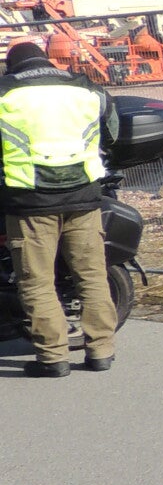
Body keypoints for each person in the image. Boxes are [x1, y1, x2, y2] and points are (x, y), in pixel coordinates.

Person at [0, 39, 119, 376]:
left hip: (29, 203)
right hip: (84, 197)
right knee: (92, 277)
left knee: (37, 283)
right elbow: (112, 133)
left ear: (11, 66)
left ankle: (53, 358)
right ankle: (101, 352)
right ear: (47, 61)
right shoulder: (87, 89)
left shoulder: (5, 92)